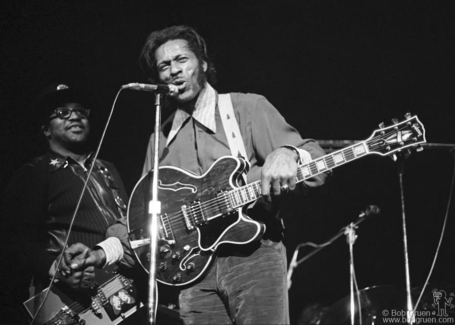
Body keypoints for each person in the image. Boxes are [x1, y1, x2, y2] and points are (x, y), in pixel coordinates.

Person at [69, 25, 330, 325]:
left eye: (182, 60)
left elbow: (316, 161)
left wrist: (289, 153)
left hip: (254, 256)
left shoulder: (247, 108)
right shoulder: (160, 138)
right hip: (192, 273)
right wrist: (101, 253)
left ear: (203, 64)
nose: (174, 71)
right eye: (164, 66)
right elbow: (143, 224)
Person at [0, 83, 131, 324]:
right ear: (46, 129)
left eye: (80, 111)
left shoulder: (108, 168)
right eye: (62, 112)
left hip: (124, 288)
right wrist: (57, 269)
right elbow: (15, 240)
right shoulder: (33, 172)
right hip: (74, 301)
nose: (74, 116)